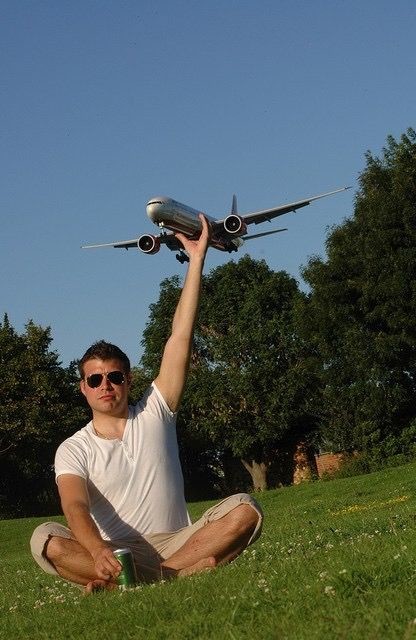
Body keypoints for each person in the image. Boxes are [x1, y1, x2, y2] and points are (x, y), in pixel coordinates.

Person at [30, 215, 262, 592]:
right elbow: (74, 507)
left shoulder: (156, 411)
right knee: (46, 539)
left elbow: (179, 337)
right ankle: (162, 575)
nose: (106, 385)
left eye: (115, 376)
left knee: (245, 509)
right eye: (95, 379)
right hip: (117, 550)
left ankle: (144, 581)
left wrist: (197, 259)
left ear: (128, 380)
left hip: (180, 542)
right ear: (83, 389)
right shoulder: (73, 449)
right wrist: (98, 550)